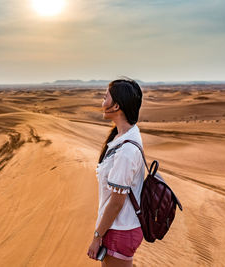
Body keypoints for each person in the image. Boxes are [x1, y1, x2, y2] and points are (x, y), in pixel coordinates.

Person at [87, 78, 145, 267]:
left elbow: (116, 202)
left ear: (116, 106)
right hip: (116, 228)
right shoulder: (124, 136)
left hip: (120, 229)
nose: (102, 103)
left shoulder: (126, 151)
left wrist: (97, 236)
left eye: (105, 98)